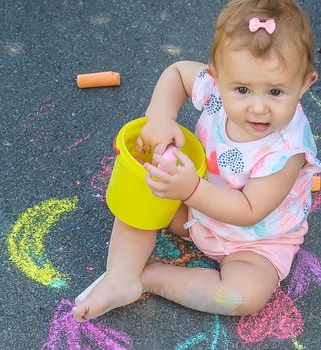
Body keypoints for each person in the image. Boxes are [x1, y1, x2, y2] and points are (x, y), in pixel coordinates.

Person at [73, 0, 320, 322]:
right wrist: (160, 117)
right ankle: (122, 276)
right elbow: (177, 73)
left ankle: (148, 277)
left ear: (304, 83)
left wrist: (190, 191)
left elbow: (249, 211)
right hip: (194, 207)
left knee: (243, 296)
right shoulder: (215, 90)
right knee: (144, 192)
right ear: (216, 77)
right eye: (242, 89)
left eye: (276, 92)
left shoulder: (288, 151)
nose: (258, 108)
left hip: (255, 240)